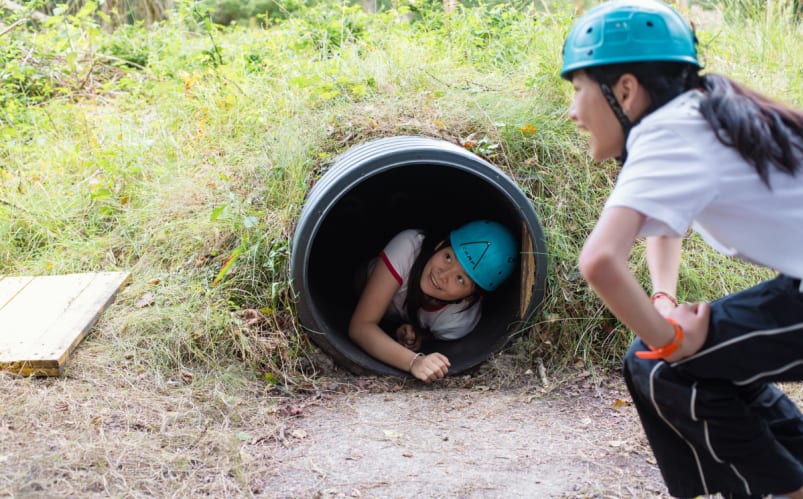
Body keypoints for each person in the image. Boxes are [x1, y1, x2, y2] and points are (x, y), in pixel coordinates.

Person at [560, 0, 803, 497]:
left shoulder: (669, 132)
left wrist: (673, 341)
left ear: (624, 90)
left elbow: (599, 260)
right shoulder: (697, 112)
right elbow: (665, 221)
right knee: (666, 358)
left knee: (661, 362)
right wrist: (664, 302)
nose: (573, 111)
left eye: (579, 90)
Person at [349, 219, 517, 383]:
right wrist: (414, 361)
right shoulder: (409, 247)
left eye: (460, 279)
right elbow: (361, 326)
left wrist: (418, 335)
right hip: (352, 287)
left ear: (470, 296)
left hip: (394, 317)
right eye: (448, 257)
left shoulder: (457, 322)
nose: (443, 275)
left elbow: (428, 334)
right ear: (440, 245)